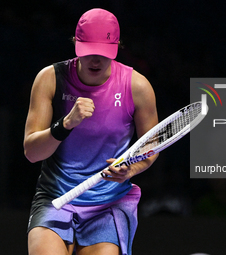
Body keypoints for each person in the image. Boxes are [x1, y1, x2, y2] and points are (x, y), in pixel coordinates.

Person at [24, 8, 158, 255]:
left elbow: (152, 146)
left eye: (103, 53)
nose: (95, 60)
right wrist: (65, 124)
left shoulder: (137, 87)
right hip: (56, 196)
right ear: (76, 44)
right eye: (89, 52)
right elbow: (32, 152)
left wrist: (131, 169)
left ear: (117, 46)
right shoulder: (50, 79)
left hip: (108, 202)